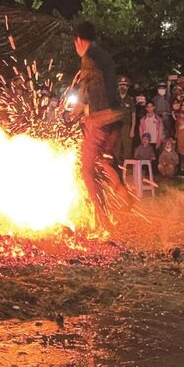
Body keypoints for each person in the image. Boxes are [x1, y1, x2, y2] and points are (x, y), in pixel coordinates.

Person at [68, 20, 120, 226]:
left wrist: (73, 113)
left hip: (100, 118)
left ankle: (102, 216)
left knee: (87, 170)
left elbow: (87, 91)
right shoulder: (103, 55)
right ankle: (122, 192)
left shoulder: (89, 58)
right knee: (104, 160)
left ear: (79, 40)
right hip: (114, 117)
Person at [114, 77, 136, 167]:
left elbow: (133, 115)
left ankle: (127, 167)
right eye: (121, 85)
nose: (123, 87)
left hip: (126, 126)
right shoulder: (114, 99)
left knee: (127, 147)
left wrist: (132, 129)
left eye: (124, 86)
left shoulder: (130, 100)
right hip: (116, 127)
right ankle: (116, 167)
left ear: (127, 88)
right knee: (116, 147)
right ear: (118, 87)